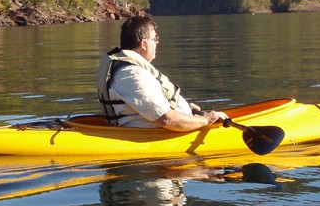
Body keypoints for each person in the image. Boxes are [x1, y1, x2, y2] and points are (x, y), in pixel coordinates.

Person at [97, 15, 228, 130]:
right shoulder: (132, 74)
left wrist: (186, 109)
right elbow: (167, 119)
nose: (157, 43)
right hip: (155, 135)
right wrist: (206, 120)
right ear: (144, 44)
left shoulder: (130, 69)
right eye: (155, 39)